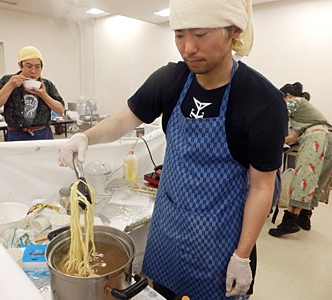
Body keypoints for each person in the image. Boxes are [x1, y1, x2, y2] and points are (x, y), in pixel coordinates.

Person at [58, 0, 288, 298]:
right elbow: (123, 121)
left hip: (219, 242)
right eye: (179, 34)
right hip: (167, 229)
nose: (188, 47)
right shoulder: (171, 80)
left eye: (200, 34)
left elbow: (261, 188)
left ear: (234, 31)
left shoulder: (261, 101)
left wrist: (242, 256)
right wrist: (85, 137)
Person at [269, 82, 332, 237]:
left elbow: (276, 117)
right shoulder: (307, 115)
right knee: (318, 181)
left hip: (317, 138)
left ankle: (289, 222)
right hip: (329, 137)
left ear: (288, 96)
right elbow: (292, 138)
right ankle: (304, 218)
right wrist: (278, 141)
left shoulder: (293, 101)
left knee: (304, 177)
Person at [0, 46, 64, 141]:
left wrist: (44, 95)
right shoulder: (8, 80)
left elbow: (60, 109)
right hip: (15, 134)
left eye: (38, 67)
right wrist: (10, 86)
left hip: (42, 134)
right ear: (20, 65)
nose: (33, 71)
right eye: (29, 66)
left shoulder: (46, 84)